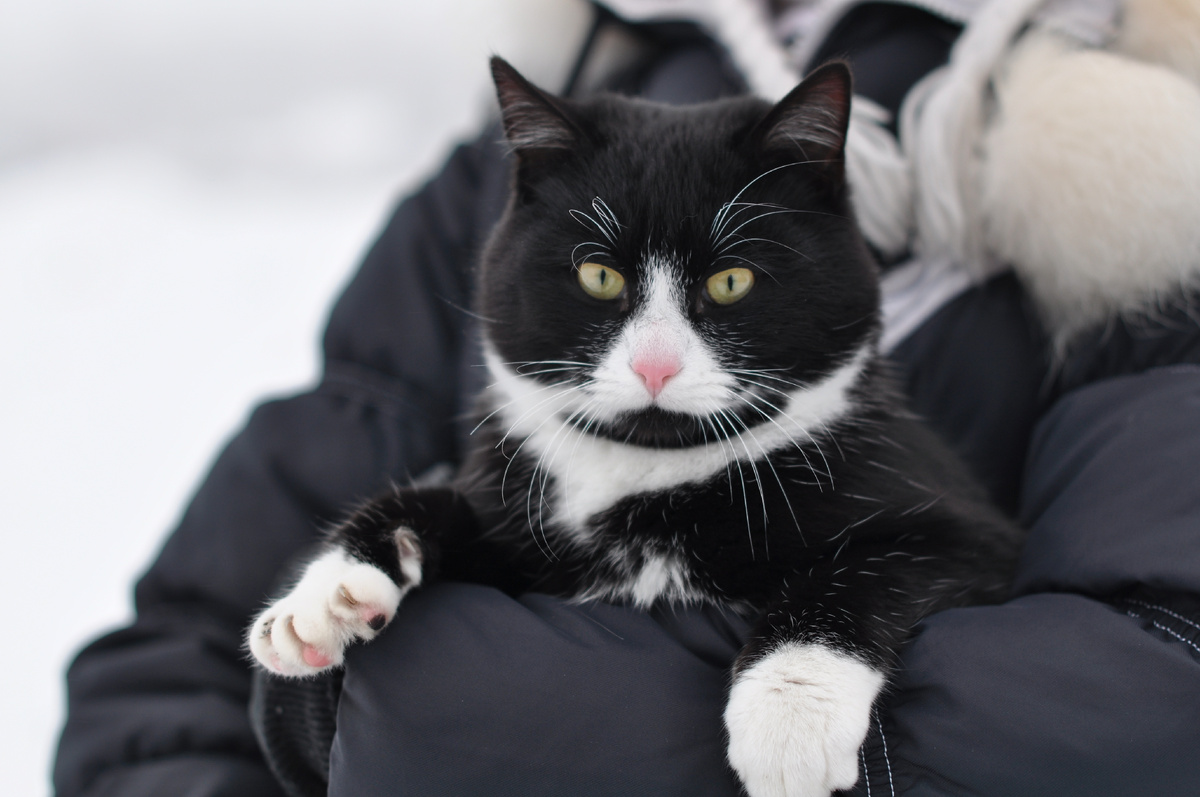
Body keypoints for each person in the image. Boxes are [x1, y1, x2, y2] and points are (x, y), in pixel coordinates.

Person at [53, 2, 1200, 795]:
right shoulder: (524, 149)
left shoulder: (1160, 171)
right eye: (599, 283)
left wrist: (423, 723)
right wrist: (311, 723)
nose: (651, 367)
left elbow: (1160, 697)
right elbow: (169, 669)